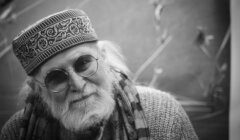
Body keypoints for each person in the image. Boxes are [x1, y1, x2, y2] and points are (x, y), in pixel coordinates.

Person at [0, 9, 198, 140]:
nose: (77, 85)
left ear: (103, 57)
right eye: (56, 77)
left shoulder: (163, 114)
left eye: (83, 63)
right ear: (37, 89)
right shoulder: (15, 133)